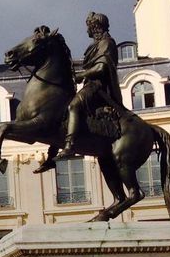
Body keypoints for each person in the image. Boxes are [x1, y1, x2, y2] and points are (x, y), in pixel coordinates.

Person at [36, 12, 125, 172]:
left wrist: (81, 75)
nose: (87, 31)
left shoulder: (107, 43)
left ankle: (69, 145)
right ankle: (51, 158)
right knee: (60, 115)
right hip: (89, 84)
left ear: (96, 27)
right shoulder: (96, 45)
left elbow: (102, 67)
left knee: (73, 107)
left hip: (99, 87)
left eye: (89, 27)